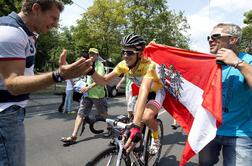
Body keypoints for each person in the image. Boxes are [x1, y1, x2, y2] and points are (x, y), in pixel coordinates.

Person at [0, 1, 93, 166]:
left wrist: (59, 73)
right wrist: (59, 76)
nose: (56, 24)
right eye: (53, 18)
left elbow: (25, 75)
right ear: (36, 9)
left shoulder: (26, 33)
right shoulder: (12, 32)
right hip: (6, 115)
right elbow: (13, 84)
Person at [91, 33, 166, 154]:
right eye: (123, 52)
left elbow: (145, 90)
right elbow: (103, 80)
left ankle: (156, 138)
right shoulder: (123, 65)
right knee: (133, 130)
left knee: (145, 117)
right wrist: (90, 71)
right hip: (142, 93)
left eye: (129, 52)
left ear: (140, 54)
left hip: (155, 92)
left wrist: (136, 124)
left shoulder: (149, 66)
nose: (125, 56)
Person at [199, 23, 252, 166]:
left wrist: (237, 63)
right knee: (204, 163)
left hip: (240, 134)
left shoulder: (248, 61)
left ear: (233, 40)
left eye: (216, 36)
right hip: (210, 130)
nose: (210, 40)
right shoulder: (207, 64)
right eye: (208, 37)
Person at [61, 48, 108, 144]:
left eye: (94, 54)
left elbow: (100, 80)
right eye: (90, 54)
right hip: (87, 95)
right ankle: (73, 136)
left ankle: (111, 128)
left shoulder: (100, 65)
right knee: (80, 114)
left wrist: (88, 87)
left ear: (97, 55)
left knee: (103, 114)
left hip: (98, 95)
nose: (92, 56)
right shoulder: (87, 64)